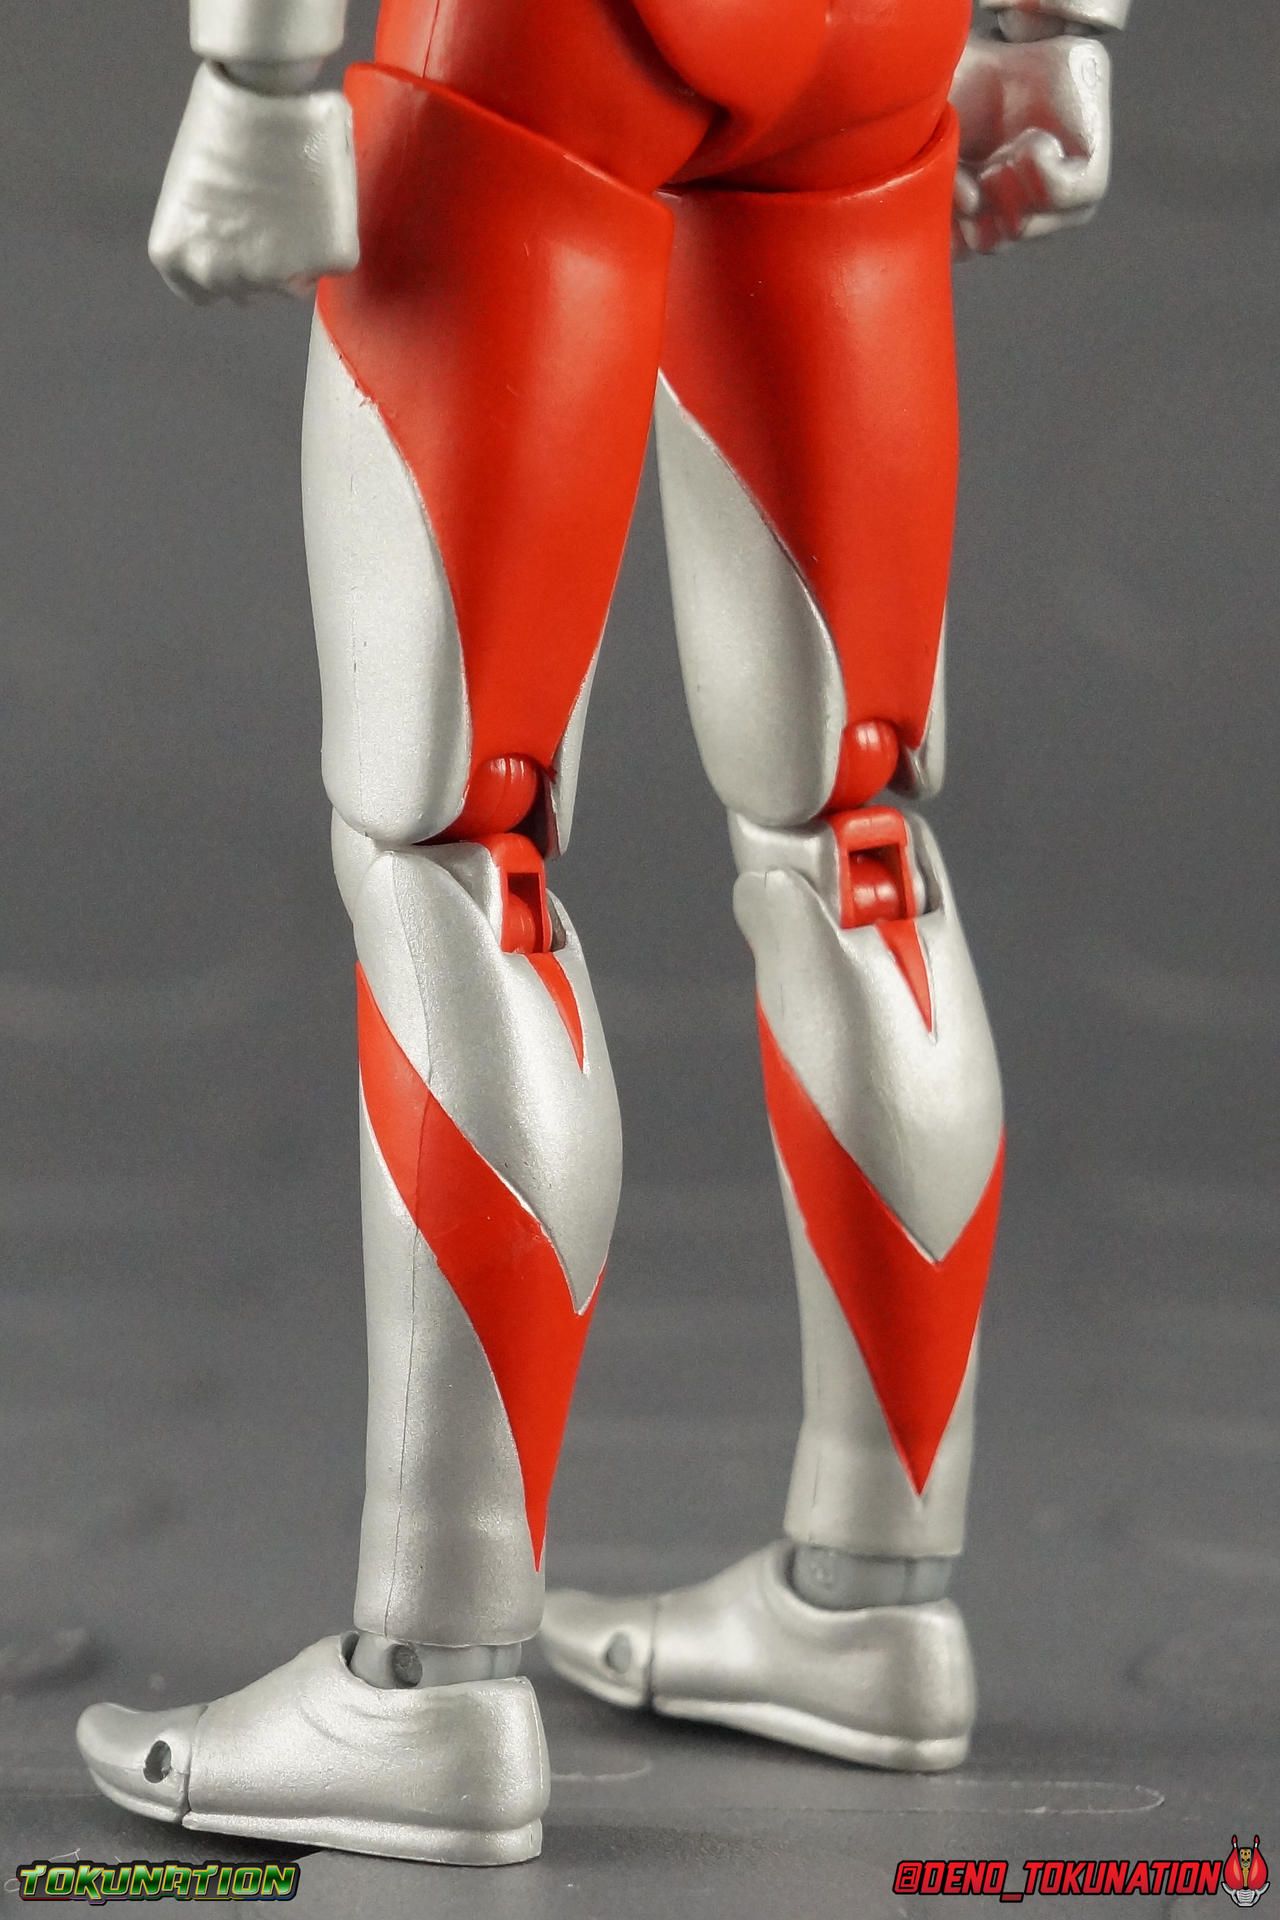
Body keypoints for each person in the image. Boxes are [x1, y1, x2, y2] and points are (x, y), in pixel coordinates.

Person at [76, 0, 1127, 1866]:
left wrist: (258, 74)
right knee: (856, 826)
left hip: (540, 48)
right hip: (871, 49)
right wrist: (1062, 30)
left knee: (456, 848)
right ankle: (870, 1602)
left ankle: (430, 1683)